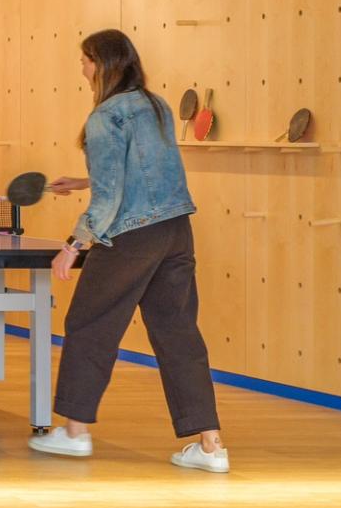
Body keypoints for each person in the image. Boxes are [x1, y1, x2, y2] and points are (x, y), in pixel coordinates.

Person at [36, 27, 229, 471]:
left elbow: (110, 198)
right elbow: (147, 172)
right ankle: (211, 445)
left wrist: (73, 244)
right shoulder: (156, 105)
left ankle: (74, 433)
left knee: (89, 325)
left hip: (131, 237)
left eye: (84, 60)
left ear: (101, 64)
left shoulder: (105, 116)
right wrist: (83, 181)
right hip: (175, 231)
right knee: (178, 334)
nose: (81, 68)